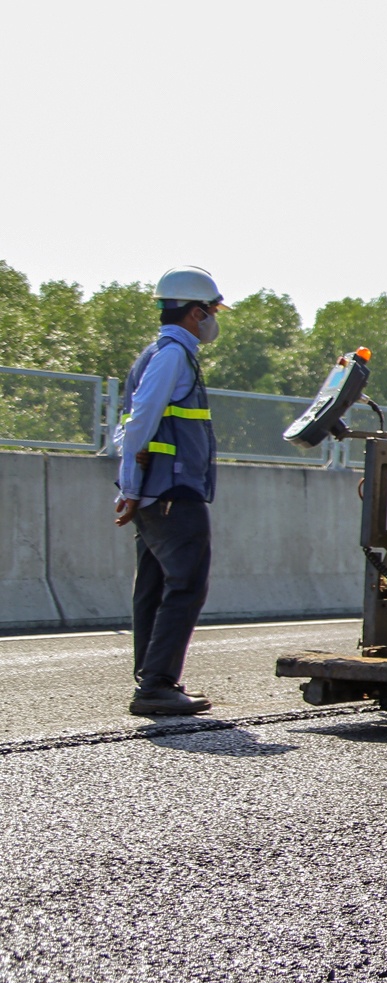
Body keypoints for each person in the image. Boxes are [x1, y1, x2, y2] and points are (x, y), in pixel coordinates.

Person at [114, 267, 225, 717]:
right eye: (213, 311)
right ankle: (157, 684)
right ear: (196, 312)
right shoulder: (172, 356)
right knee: (186, 585)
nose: (214, 320)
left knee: (155, 585)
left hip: (156, 492)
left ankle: (152, 679)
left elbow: (126, 426)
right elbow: (139, 420)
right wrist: (129, 485)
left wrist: (131, 485)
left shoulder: (156, 353)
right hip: (173, 492)